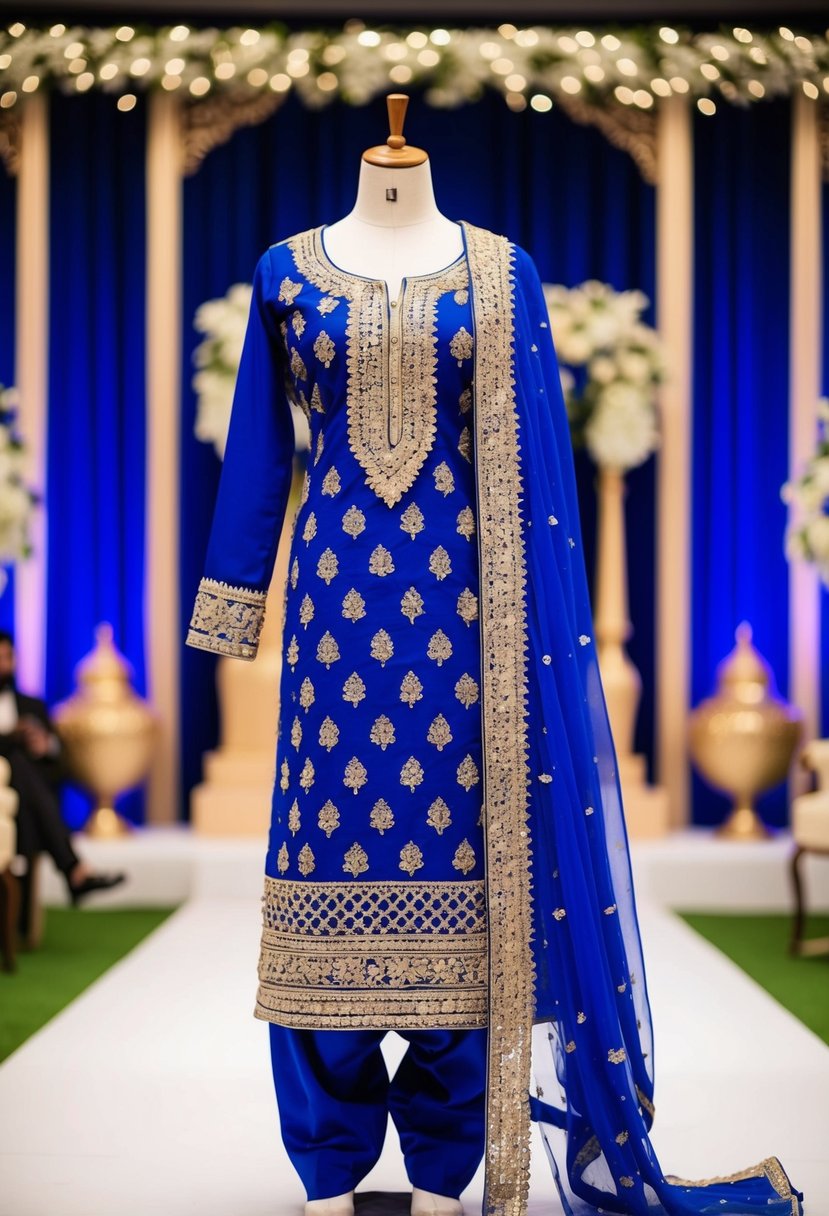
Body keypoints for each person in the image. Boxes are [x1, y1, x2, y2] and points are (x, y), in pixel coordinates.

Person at [187, 103, 803, 1216]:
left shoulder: (500, 272)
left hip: (465, 621)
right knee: (322, 856)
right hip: (332, 624)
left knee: (464, 879)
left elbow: (537, 468)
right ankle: (327, 1161)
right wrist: (234, 607)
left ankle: (439, 1162)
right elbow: (259, 453)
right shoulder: (284, 270)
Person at [0, 630, 126, 907]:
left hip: (24, 797)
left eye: (7, 657)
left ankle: (68, 873)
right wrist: (11, 737)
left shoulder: (31, 706)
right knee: (18, 766)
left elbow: (60, 763)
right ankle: (73, 869)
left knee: (27, 778)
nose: (3, 663)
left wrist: (46, 747)